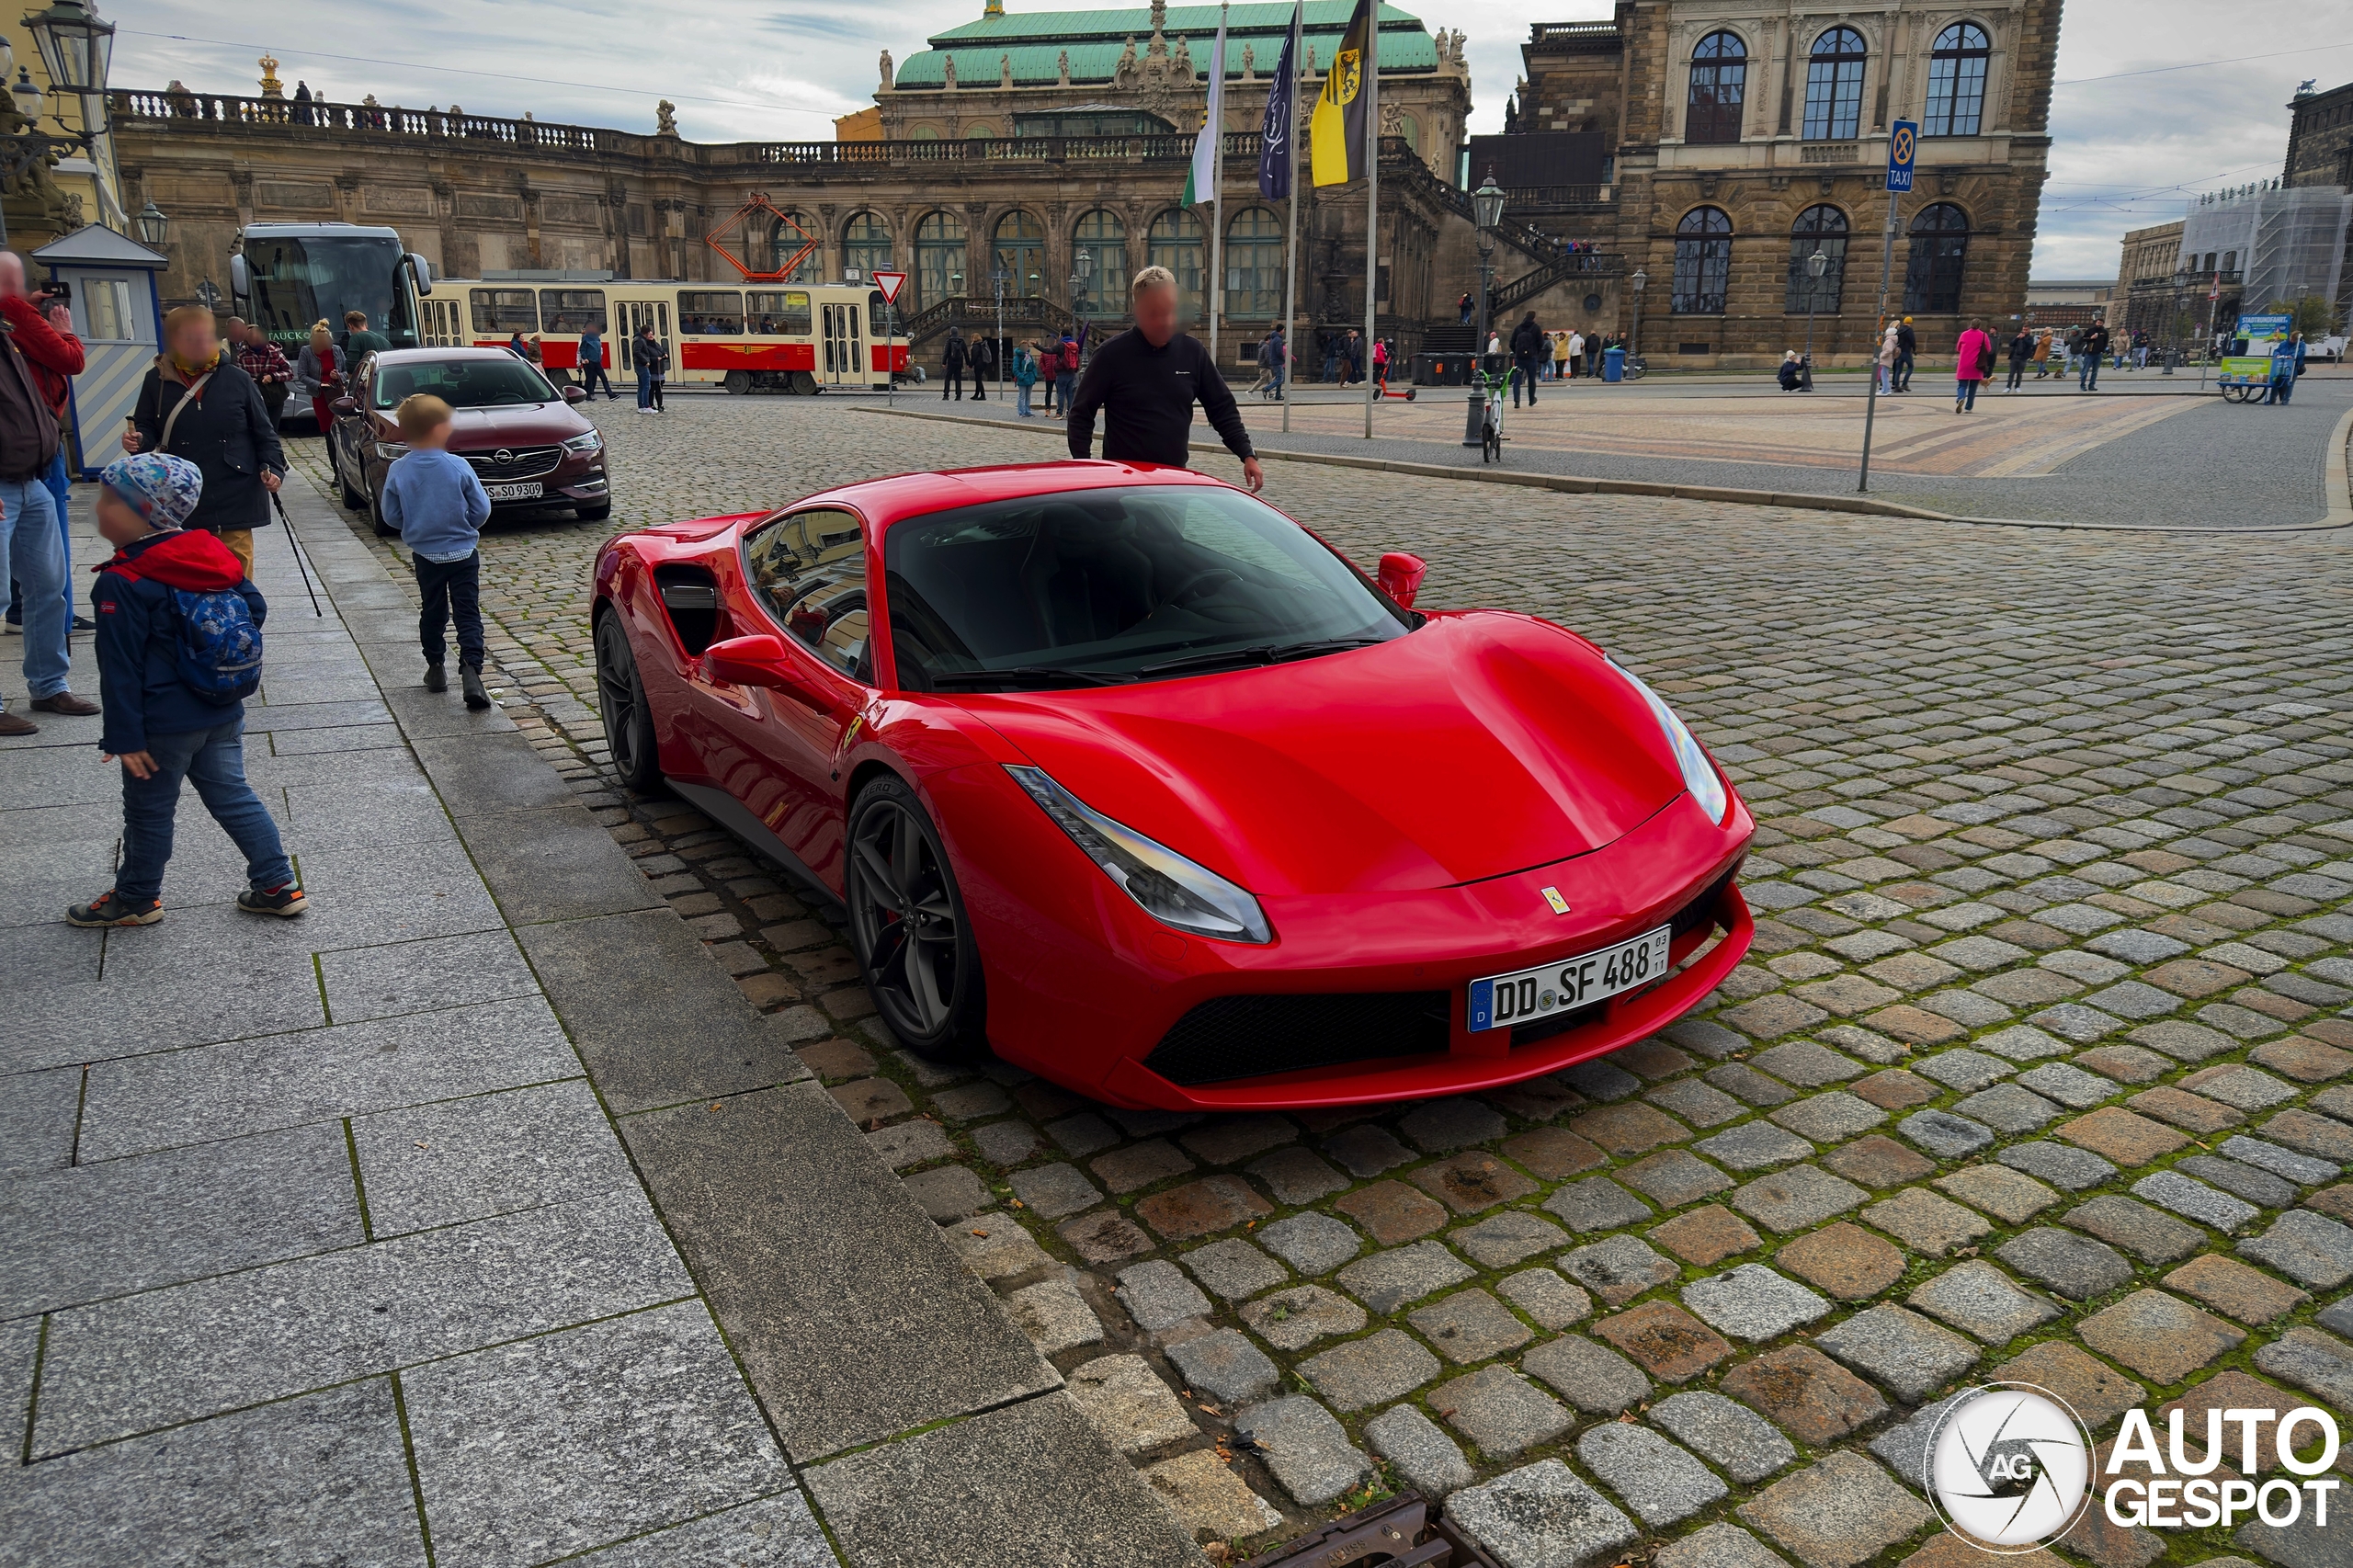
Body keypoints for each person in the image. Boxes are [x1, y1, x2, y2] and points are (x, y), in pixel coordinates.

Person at [68, 450, 307, 927]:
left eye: (108, 500)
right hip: (221, 707)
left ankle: (136, 897)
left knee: (149, 812)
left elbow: (119, 669)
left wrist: (124, 738)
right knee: (234, 795)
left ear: (141, 512)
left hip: (162, 723)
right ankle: (278, 884)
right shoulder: (212, 554)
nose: (97, 509)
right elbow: (254, 610)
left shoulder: (123, 581)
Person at [1066, 264, 1263, 493]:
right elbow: (1081, 413)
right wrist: (1086, 466)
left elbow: (1221, 408)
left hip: (1173, 480)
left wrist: (1247, 454)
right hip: (1123, 482)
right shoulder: (1111, 354)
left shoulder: (1192, 352)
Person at [126, 305, 287, 580]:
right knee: (189, 574)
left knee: (236, 573)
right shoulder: (157, 380)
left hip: (234, 489)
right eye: (192, 338)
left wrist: (274, 469)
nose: (202, 343)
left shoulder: (237, 379)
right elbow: (147, 426)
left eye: (206, 336)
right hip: (181, 493)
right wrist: (138, 440)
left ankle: (239, 621)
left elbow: (264, 431)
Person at [379, 392, 494, 708]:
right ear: (440, 429)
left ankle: (436, 668)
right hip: (462, 552)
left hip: (425, 554)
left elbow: (390, 515)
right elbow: (481, 509)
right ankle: (472, 672)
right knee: (467, 612)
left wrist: (414, 525)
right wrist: (466, 523)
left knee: (432, 611)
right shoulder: (457, 465)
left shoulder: (399, 470)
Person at [0, 252, 86, 640]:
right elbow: (70, 359)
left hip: (32, 468)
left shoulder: (12, 323)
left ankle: (51, 685)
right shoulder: (13, 313)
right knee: (16, 589)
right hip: (13, 470)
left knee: (47, 586)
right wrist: (63, 331)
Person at [233, 320, 294, 428]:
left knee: (272, 427)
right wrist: (250, 380)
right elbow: (238, 376)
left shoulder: (274, 352)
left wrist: (272, 376)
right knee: (256, 428)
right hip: (253, 397)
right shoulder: (242, 354)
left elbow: (289, 373)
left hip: (274, 397)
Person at [293, 320, 340, 436]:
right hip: (319, 395)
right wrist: (319, 384)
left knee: (339, 427)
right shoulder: (306, 351)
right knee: (326, 428)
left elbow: (346, 371)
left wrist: (338, 375)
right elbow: (302, 375)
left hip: (337, 393)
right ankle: (331, 450)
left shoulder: (337, 350)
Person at [1953, 318, 1993, 414]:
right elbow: (1988, 349)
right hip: (1977, 364)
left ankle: (1960, 398)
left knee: (1962, 385)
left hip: (1964, 363)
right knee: (1973, 387)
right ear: (1979, 326)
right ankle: (1968, 407)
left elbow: (1958, 348)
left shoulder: (1964, 334)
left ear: (1970, 324)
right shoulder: (1983, 335)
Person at [1508, 312, 1543, 408]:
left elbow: (1511, 343)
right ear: (1534, 318)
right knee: (1531, 379)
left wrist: (1516, 352)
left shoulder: (1518, 328)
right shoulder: (1536, 328)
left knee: (1517, 380)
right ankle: (1531, 399)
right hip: (1531, 358)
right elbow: (1541, 342)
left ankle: (1517, 401)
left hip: (1519, 358)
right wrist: (1536, 352)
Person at [577, 321, 613, 399]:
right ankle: (587, 395)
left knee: (603, 378)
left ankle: (610, 395)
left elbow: (599, 349)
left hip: (597, 361)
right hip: (589, 362)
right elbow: (582, 350)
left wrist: (599, 357)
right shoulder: (585, 339)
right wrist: (585, 358)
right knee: (589, 379)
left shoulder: (597, 338)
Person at [633, 324, 661, 411]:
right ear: (647, 332)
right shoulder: (640, 340)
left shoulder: (638, 339)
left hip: (639, 365)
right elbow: (637, 352)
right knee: (646, 386)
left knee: (641, 386)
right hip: (641, 365)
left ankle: (641, 406)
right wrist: (645, 361)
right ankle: (646, 405)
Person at [2266, 333, 2298, 406]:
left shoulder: (2300, 345)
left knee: (2289, 384)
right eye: (2291, 338)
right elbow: (2277, 350)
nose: (2292, 340)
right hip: (2280, 365)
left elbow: (2300, 353)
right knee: (2276, 381)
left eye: (2294, 340)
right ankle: (2272, 399)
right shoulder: (2284, 343)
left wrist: (2291, 356)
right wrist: (2277, 355)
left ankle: (2285, 400)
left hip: (2292, 367)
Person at [2078, 320, 2109, 392]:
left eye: (2101, 323)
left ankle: (2092, 385)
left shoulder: (2105, 332)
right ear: (2096, 323)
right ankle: (2082, 385)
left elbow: (2105, 342)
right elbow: (2083, 339)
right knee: (2085, 370)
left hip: (2098, 354)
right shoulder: (2090, 330)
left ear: (2103, 324)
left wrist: (2103, 350)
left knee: (2095, 371)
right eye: (2098, 323)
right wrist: (2090, 338)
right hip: (2089, 353)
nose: (2099, 324)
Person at [1053, 332, 1079, 414]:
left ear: (1062, 335)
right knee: (1070, 394)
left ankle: (1059, 412)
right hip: (1071, 372)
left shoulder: (1061, 345)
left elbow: (1048, 351)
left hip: (1062, 372)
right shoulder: (1074, 345)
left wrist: (1036, 345)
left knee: (1061, 393)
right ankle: (1070, 412)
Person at [1012, 338, 1039, 416]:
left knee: (1028, 396)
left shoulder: (1029, 356)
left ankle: (1028, 411)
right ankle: (1021, 412)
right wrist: (1021, 376)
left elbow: (1033, 366)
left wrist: (1034, 374)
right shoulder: (1018, 357)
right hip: (1023, 378)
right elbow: (1015, 369)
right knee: (1022, 396)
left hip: (1030, 378)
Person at [941, 326, 968, 401]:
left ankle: (946, 395)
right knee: (958, 379)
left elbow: (946, 353)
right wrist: (968, 363)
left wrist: (943, 362)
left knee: (947, 378)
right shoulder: (961, 340)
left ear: (951, 332)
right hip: (959, 363)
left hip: (951, 362)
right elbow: (966, 353)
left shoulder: (949, 341)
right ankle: (958, 395)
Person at [2006, 324, 2034, 392]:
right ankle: (2008, 387)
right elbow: (2011, 344)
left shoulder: (2030, 338)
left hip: (2023, 358)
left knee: (2019, 374)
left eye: (2026, 330)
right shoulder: (2018, 337)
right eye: (2023, 329)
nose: (2024, 331)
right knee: (2011, 373)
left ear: (2029, 330)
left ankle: (2017, 387)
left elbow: (2030, 344)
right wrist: (2017, 338)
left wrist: (2024, 338)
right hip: (2014, 357)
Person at [1893, 316, 1917, 392]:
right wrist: (1914, 349)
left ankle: (1896, 386)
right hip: (1906, 351)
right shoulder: (1909, 330)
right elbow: (1912, 340)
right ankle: (1904, 384)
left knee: (1898, 369)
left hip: (1899, 351)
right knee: (1910, 366)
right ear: (1910, 323)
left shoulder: (1899, 330)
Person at [970, 332, 994, 402]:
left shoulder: (976, 346)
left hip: (978, 364)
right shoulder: (981, 345)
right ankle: (976, 394)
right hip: (983, 364)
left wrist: (970, 364)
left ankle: (982, 395)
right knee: (978, 379)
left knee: (978, 380)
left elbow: (975, 356)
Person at [1877, 322, 1899, 394]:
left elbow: (1888, 350)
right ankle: (1887, 389)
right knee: (1885, 375)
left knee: (1884, 376)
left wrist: (1882, 355)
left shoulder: (1889, 341)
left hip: (1886, 360)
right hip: (1889, 360)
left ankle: (1885, 390)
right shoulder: (1893, 340)